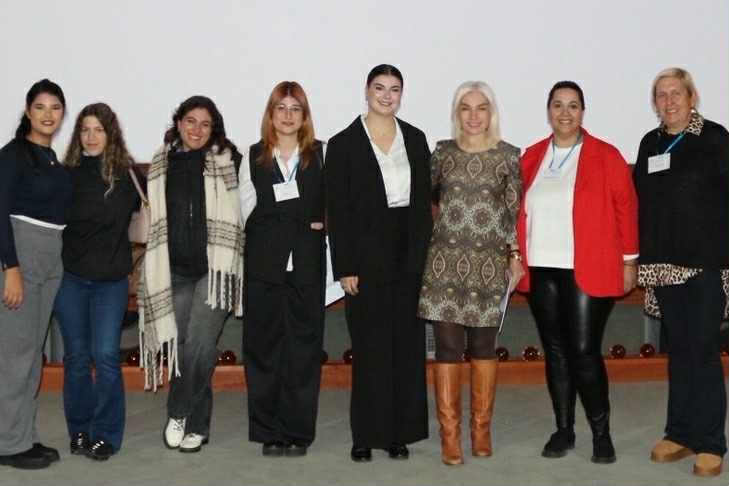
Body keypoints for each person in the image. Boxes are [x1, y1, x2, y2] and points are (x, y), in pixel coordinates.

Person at [515, 81, 638, 464]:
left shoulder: (606, 155)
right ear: (548, 110)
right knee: (555, 351)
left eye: (573, 105)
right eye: (558, 105)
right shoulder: (531, 156)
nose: (565, 113)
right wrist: (515, 253)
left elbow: (626, 207)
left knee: (583, 351)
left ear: (583, 111)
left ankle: (602, 434)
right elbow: (516, 210)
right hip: (541, 267)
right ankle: (564, 430)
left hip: (589, 266)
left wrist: (629, 261)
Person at [326, 64, 433, 462]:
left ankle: (398, 434)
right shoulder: (343, 144)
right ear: (366, 91)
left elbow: (423, 206)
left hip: (408, 256)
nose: (387, 96)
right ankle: (366, 435)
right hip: (365, 259)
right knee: (370, 348)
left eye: (394, 89)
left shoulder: (416, 139)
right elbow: (338, 210)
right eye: (380, 88)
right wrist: (345, 267)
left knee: (405, 347)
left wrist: (424, 260)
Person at [418, 81, 523, 465]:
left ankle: (481, 429)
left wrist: (515, 255)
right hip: (444, 265)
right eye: (466, 108)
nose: (474, 116)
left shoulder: (508, 156)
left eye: (481, 108)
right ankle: (450, 436)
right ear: (456, 113)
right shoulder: (442, 154)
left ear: (491, 113)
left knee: (482, 348)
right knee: (447, 348)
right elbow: (422, 203)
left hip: (488, 266)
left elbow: (512, 214)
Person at [633, 67, 729, 478]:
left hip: (706, 263)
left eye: (676, 93)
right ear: (654, 102)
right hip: (663, 266)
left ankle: (711, 442)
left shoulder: (715, 138)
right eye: (661, 94)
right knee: (679, 351)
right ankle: (680, 433)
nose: (669, 101)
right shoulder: (650, 143)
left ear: (692, 97)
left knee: (703, 351)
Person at [138, 96, 244, 453]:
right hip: (174, 271)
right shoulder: (160, 163)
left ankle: (178, 410)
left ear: (214, 129)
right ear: (179, 122)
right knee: (185, 347)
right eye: (190, 121)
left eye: (205, 124)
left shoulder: (229, 161)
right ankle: (198, 426)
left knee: (199, 342)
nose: (197, 130)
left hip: (215, 272)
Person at [239, 81, 326, 457]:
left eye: (295, 109)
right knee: (263, 350)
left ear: (304, 116)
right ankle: (268, 431)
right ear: (270, 114)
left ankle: (298, 432)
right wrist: (291, 221)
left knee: (303, 352)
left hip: (305, 266)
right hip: (264, 267)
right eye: (281, 108)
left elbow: (332, 204)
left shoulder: (320, 154)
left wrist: (320, 222)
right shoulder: (253, 156)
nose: (288, 116)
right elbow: (246, 213)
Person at [53, 103, 140, 460]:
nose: (90, 137)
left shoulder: (127, 177)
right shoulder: (65, 175)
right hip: (70, 280)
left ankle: (106, 435)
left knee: (105, 356)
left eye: (98, 129)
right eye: (85, 129)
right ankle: (79, 430)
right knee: (76, 358)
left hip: (110, 282)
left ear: (110, 134)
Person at [0, 79, 71, 469]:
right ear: (28, 111)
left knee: (31, 355)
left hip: (50, 258)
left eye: (55, 107)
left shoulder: (52, 160)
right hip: (21, 257)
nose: (48, 114)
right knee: (15, 355)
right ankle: (8, 443)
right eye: (40, 107)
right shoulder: (12, 155)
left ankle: (21, 435)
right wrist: (10, 268)